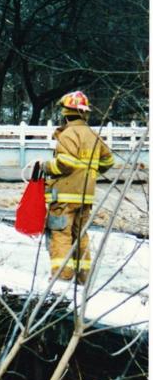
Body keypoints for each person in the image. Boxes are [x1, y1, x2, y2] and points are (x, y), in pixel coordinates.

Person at [38, 91, 114, 284]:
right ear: (85, 113)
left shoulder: (67, 134)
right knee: (81, 235)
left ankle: (62, 277)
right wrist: (90, 172)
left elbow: (65, 163)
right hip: (85, 196)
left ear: (65, 112)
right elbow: (109, 160)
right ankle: (83, 278)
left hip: (64, 195)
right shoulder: (92, 134)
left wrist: (46, 167)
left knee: (60, 233)